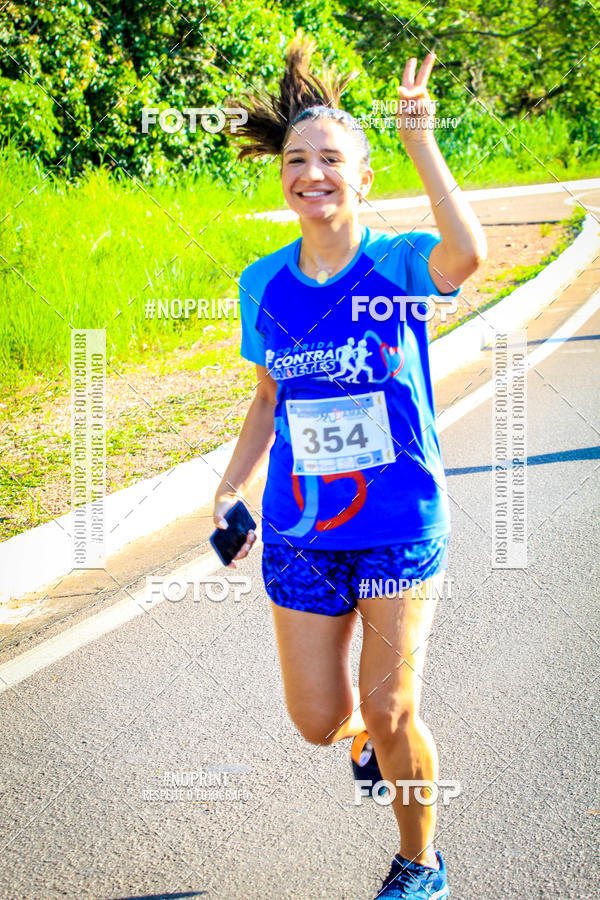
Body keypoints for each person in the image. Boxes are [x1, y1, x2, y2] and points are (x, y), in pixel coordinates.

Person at [212, 34, 486, 899]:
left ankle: (420, 863)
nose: (312, 172)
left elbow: (468, 255)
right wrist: (230, 487)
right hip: (302, 528)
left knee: (397, 707)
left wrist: (421, 142)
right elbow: (267, 399)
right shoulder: (264, 284)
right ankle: (360, 736)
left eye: (332, 158)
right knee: (320, 719)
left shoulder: (396, 264)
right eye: (297, 158)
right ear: (283, 177)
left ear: (362, 178)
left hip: (400, 524)